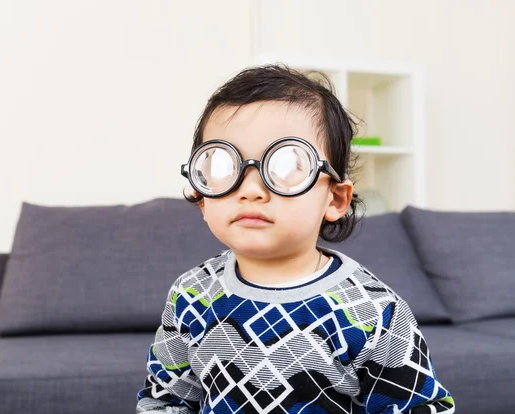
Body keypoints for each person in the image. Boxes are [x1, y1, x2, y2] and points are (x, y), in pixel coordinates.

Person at [136, 64, 455, 413]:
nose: (251, 190)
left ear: (334, 199)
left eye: (285, 166)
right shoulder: (191, 294)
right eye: (224, 167)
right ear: (201, 196)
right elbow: (166, 401)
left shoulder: (373, 311)